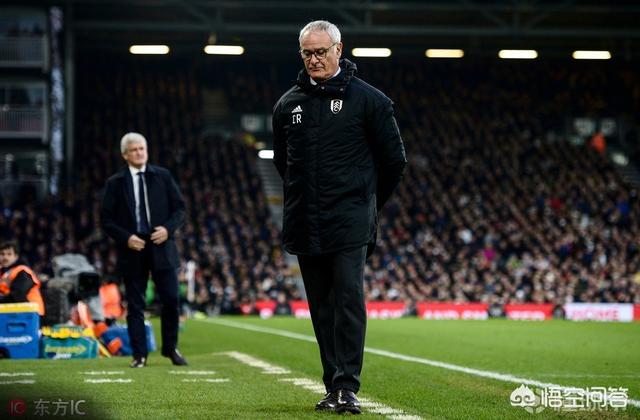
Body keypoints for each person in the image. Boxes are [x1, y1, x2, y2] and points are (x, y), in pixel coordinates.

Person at [272, 20, 406, 414]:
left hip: (349, 222)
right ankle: (333, 385)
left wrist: (366, 203)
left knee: (348, 298)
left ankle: (348, 386)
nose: (314, 59)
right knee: (321, 307)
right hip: (305, 221)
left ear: (338, 49)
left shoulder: (370, 101)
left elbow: (394, 162)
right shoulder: (287, 105)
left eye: (320, 52)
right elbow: (283, 162)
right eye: (307, 53)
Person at [101, 132, 187, 367]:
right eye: (134, 149)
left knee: (171, 300)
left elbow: (180, 209)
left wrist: (168, 230)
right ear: (125, 155)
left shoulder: (163, 176)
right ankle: (139, 355)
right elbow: (106, 219)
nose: (139, 153)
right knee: (135, 305)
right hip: (133, 248)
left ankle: (171, 349)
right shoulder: (115, 183)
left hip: (162, 245)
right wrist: (126, 237)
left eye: (142, 149)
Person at [0, 241, 45, 316]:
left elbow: (18, 294)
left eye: (9, 254)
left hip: (31, 314)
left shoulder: (22, 271)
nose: (5, 257)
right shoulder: (3, 274)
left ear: (16, 256)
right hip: (12, 313)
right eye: (2, 254)